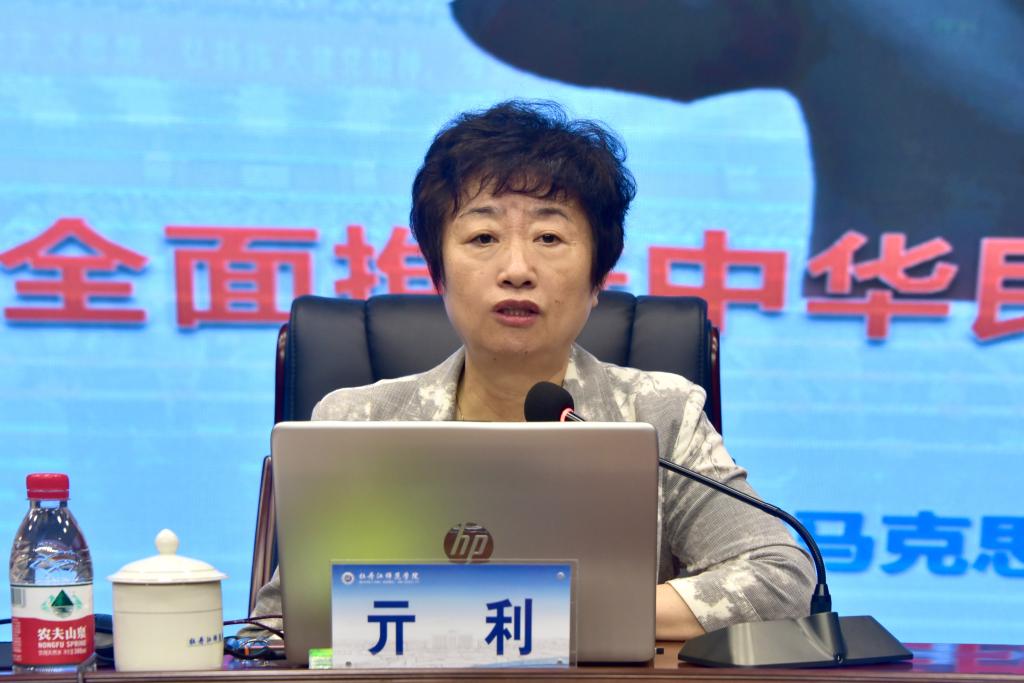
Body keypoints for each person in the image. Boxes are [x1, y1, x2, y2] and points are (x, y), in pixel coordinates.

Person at [248, 99, 815, 641]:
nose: (517, 269)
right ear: (438, 273)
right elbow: (277, 626)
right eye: (483, 237)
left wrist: (541, 612)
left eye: (549, 237)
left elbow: (779, 578)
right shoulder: (356, 422)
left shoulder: (659, 415)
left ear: (598, 278)